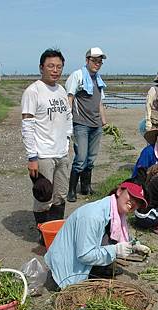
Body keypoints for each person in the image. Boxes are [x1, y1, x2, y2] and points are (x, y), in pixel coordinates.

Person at [45, 181, 151, 289]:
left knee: (109, 240)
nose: (134, 203)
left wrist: (134, 245)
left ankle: (98, 269)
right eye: (132, 196)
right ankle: (93, 271)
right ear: (119, 191)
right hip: (66, 271)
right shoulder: (93, 216)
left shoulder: (116, 214)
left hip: (80, 258)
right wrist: (115, 250)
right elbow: (84, 255)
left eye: (138, 202)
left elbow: (120, 235)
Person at [21, 48, 72, 232]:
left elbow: (68, 117)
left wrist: (67, 141)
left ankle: (55, 231)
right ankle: (43, 234)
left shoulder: (61, 90)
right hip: (43, 155)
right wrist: (32, 157)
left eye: (59, 66)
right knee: (44, 197)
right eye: (51, 66)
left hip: (62, 153)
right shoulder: (33, 91)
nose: (55, 70)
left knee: (60, 195)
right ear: (41, 67)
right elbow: (27, 126)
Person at [65, 47, 108, 202]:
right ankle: (71, 191)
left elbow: (99, 102)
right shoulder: (77, 76)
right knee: (81, 158)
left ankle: (86, 187)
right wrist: (68, 120)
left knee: (91, 158)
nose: (97, 64)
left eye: (100, 61)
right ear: (87, 60)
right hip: (80, 124)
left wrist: (104, 121)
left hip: (96, 125)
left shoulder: (98, 79)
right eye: (94, 60)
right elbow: (69, 97)